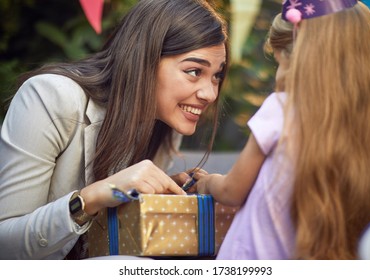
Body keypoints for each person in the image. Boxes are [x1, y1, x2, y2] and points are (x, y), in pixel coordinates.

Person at [0, 0, 228, 259]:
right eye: (194, 71)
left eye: (216, 76)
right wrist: (91, 198)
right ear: (145, 60)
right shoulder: (50, 97)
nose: (210, 93)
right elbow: (5, 246)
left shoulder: (165, 125)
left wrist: (157, 199)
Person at [194, 0, 370, 259]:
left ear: (300, 60)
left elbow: (232, 191)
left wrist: (207, 182)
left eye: (280, 63)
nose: (278, 76)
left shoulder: (282, 110)